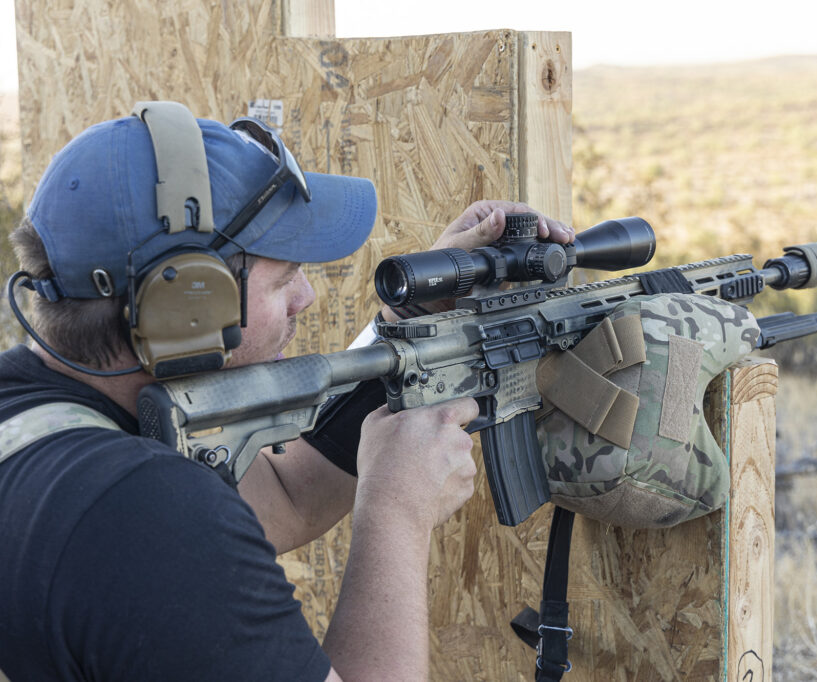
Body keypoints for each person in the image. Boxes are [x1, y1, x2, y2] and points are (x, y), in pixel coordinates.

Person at [0, 102, 573, 681]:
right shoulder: (145, 517)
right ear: (185, 306)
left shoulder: (36, 424)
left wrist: (413, 322)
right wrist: (396, 516)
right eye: (283, 279)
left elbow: (287, 496)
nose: (306, 298)